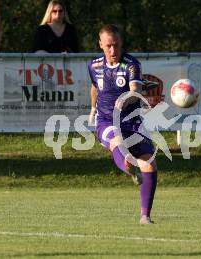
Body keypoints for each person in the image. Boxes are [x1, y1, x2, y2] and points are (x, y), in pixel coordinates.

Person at [88, 25, 157, 224]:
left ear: (121, 43)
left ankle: (145, 216)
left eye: (116, 45)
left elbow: (135, 89)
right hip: (106, 121)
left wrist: (125, 99)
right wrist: (92, 109)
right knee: (118, 144)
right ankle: (130, 168)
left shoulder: (131, 64)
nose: (112, 50)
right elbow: (94, 87)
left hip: (132, 121)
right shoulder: (94, 66)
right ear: (100, 44)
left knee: (150, 165)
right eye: (108, 46)